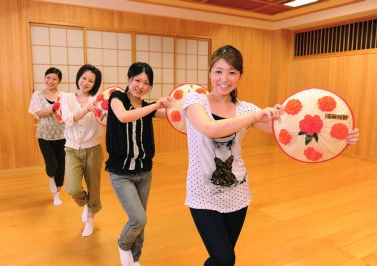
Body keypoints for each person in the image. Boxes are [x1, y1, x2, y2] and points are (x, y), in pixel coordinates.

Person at [182, 45, 360, 265]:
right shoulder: (194, 101)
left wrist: (340, 136)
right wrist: (256, 116)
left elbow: (288, 131)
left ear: (240, 75)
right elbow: (210, 128)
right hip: (202, 194)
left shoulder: (245, 109)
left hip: (237, 193)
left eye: (232, 72)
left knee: (222, 258)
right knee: (225, 258)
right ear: (209, 72)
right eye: (218, 71)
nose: (224, 79)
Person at [105, 62, 169, 266]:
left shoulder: (148, 107)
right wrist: (154, 106)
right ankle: (123, 245)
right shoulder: (117, 98)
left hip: (144, 172)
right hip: (120, 173)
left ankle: (136, 259)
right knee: (138, 219)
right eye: (137, 80)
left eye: (146, 83)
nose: (140, 86)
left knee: (142, 220)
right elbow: (124, 117)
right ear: (129, 79)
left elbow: (173, 116)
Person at [61, 64, 103, 237]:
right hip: (71, 148)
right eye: (84, 78)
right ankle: (86, 204)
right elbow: (67, 119)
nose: (86, 82)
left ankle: (91, 220)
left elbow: (107, 118)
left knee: (94, 187)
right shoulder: (67, 97)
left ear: (95, 84)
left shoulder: (98, 100)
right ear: (78, 77)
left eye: (91, 80)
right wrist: (85, 109)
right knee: (72, 188)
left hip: (93, 148)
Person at [28, 67, 65, 206]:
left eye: (54, 79)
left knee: (61, 166)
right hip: (44, 135)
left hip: (62, 135)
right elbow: (39, 112)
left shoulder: (64, 96)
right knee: (52, 165)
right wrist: (54, 108)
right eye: (48, 78)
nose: (50, 81)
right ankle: (51, 178)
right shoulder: (37, 95)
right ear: (44, 78)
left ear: (59, 81)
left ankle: (57, 194)